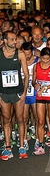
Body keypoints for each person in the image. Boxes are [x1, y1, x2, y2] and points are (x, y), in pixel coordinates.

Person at [0, 31, 29, 160]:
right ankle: (8, 147)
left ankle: (22, 146)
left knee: (20, 119)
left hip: (18, 92)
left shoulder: (20, 54)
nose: (15, 42)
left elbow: (27, 75)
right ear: (5, 41)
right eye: (12, 40)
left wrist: (24, 93)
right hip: (4, 92)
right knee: (6, 119)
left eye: (16, 39)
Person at [32, 47, 50, 156]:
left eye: (48, 59)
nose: (45, 61)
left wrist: (46, 87)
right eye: (43, 59)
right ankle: (40, 145)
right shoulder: (36, 66)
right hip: (40, 96)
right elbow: (33, 81)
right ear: (41, 57)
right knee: (40, 121)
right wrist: (36, 85)